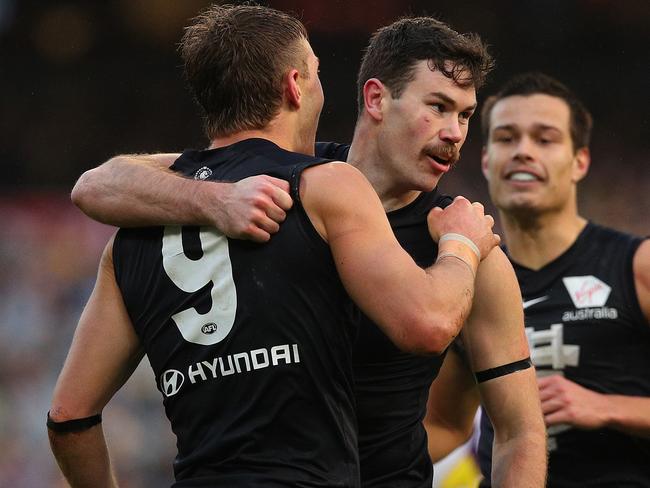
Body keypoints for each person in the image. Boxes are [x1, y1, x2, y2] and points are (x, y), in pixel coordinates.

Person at [68, 16, 546, 488]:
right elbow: (101, 183)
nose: (455, 132)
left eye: (464, 116)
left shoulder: (466, 245)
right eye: (439, 107)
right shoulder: (282, 185)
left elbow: (520, 432)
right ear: (376, 98)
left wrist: (460, 248)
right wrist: (219, 201)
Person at [427, 72, 650, 486]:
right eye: (507, 138)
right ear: (487, 160)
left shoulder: (636, 264)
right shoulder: (468, 280)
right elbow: (445, 424)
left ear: (579, 161)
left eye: (544, 139)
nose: (523, 151)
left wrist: (607, 407)